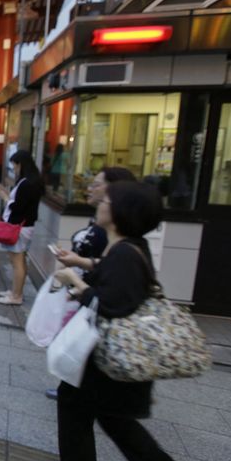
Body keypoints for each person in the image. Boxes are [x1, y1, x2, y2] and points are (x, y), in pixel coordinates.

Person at [43, 181, 186, 461]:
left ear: (122, 211)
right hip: (102, 361)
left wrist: (76, 282)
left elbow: (111, 307)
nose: (100, 202)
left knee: (117, 425)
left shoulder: (124, 254)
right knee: (89, 412)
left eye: (106, 199)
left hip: (109, 361)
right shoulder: (125, 248)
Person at [44, 166, 137, 400]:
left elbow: (107, 304)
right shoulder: (113, 239)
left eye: (99, 187)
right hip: (84, 305)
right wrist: (77, 263)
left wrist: (75, 279)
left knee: (108, 418)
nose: (91, 189)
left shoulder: (125, 251)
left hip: (95, 323)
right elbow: (102, 266)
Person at [0, 150, 43, 305]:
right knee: (19, 261)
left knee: (17, 262)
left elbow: (18, 207)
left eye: (14, 166)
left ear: (21, 164)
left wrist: (5, 197)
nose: (14, 169)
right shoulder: (32, 181)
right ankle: (15, 291)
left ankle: (16, 296)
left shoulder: (27, 183)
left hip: (20, 227)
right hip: (26, 226)